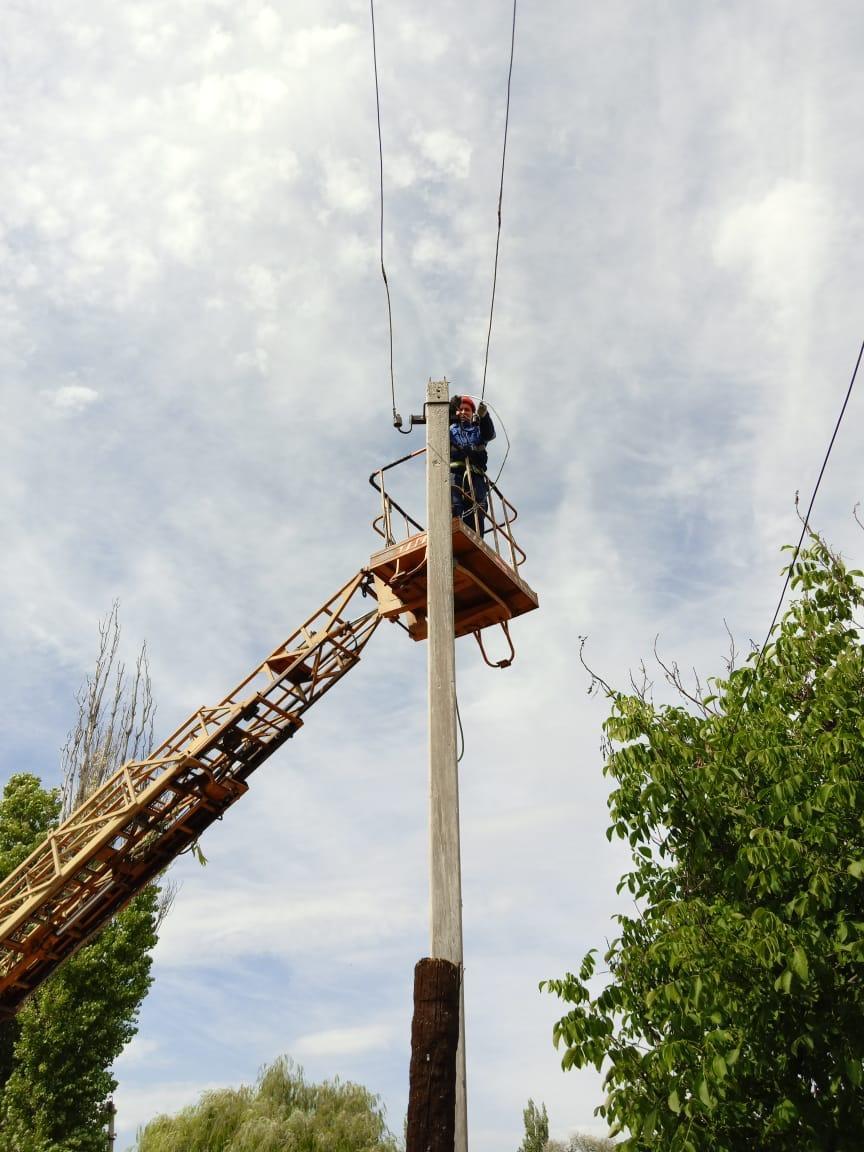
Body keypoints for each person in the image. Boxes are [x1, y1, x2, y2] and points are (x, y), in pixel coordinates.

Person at [449, 395, 496, 532]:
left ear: (472, 414)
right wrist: (451, 408)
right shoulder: (449, 429)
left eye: (467, 410)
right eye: (461, 409)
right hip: (454, 473)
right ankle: (451, 536)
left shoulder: (478, 430)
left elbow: (490, 434)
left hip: (476, 477)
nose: (463, 412)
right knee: (453, 505)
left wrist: (485, 416)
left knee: (477, 510)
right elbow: (441, 420)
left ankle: (476, 539)